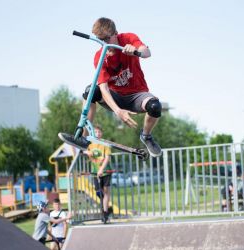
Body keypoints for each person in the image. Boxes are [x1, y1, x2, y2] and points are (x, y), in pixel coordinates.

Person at [81, 17, 162, 157]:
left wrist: (136, 51)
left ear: (116, 33)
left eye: (107, 39)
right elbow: (104, 89)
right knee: (90, 91)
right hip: (115, 97)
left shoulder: (128, 38)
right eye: (100, 40)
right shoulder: (100, 56)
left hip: (136, 95)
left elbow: (147, 53)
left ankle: (146, 136)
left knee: (155, 106)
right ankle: (82, 136)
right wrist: (118, 111)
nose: (105, 44)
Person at [84, 125, 112, 223]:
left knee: (106, 191)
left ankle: (105, 213)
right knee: (98, 192)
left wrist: (101, 169)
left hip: (106, 171)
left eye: (99, 132)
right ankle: (108, 208)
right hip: (95, 172)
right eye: (96, 132)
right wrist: (88, 154)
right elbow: (91, 158)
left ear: (102, 133)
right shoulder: (90, 145)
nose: (98, 134)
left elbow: (107, 158)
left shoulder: (105, 144)